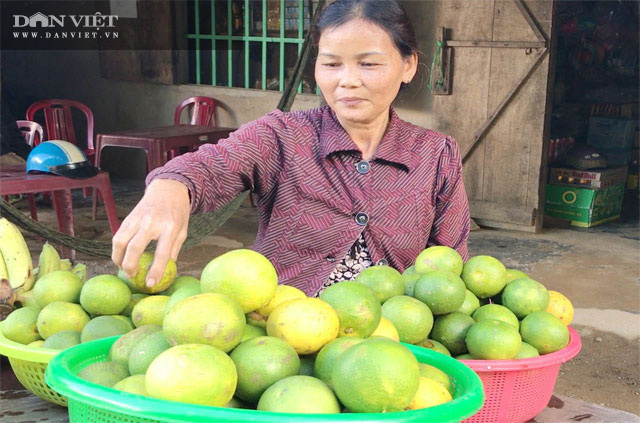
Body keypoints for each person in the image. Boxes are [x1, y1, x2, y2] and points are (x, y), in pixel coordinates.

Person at [112, 0, 470, 297]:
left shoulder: (436, 155)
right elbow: (213, 166)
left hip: (391, 343)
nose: (347, 80)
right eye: (331, 63)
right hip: (280, 336)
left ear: (408, 65)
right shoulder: (281, 136)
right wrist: (170, 186)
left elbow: (450, 267)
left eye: (368, 63)